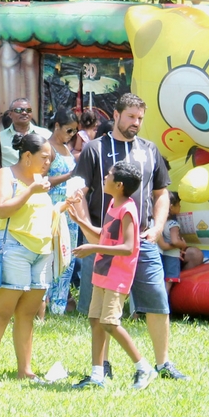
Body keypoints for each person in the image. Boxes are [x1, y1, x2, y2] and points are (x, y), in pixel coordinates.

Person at [73, 92, 188, 381]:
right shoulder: (95, 149)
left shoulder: (149, 150)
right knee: (99, 309)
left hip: (142, 241)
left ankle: (163, 364)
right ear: (116, 115)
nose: (136, 122)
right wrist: (88, 230)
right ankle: (102, 366)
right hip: (102, 241)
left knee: (158, 301)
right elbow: (79, 193)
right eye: (131, 117)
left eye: (140, 118)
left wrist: (158, 228)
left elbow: (161, 194)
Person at [0, 132, 58, 384]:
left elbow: (37, 215)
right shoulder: (7, 175)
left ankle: (25, 370)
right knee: (1, 313)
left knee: (27, 314)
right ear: (27, 156)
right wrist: (31, 190)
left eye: (50, 158)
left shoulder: (39, 179)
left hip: (41, 252)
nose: (48, 162)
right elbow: (2, 209)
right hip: (13, 249)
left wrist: (64, 206)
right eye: (44, 157)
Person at [71, 161, 156, 390]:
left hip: (117, 275)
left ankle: (143, 367)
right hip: (102, 271)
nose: (104, 177)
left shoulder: (127, 210)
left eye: (109, 175)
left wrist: (93, 248)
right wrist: (81, 222)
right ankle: (97, 375)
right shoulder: (113, 204)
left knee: (109, 322)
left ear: (119, 185)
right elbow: (107, 235)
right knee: (95, 320)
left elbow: (128, 247)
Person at [43, 107, 81, 316]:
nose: (72, 135)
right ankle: (44, 301)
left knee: (67, 255)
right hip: (52, 208)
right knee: (50, 255)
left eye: (75, 131)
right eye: (69, 130)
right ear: (56, 126)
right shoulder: (47, 148)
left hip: (69, 209)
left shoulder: (66, 148)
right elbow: (41, 180)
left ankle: (59, 304)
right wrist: (69, 176)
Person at [0, 98, 50, 166]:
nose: (24, 113)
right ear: (10, 114)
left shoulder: (46, 135)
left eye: (28, 110)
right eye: (19, 110)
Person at [157, 196, 188, 294]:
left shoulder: (161, 223)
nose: (180, 207)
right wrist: (183, 244)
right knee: (169, 282)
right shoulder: (173, 224)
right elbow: (174, 241)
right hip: (173, 257)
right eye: (178, 205)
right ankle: (164, 300)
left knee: (163, 280)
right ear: (171, 207)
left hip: (164, 256)